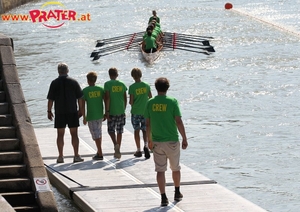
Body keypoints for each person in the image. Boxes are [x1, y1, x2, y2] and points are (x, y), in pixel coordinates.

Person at [144, 77, 188, 207]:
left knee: (160, 170)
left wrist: (148, 140)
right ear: (167, 87)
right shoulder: (172, 101)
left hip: (157, 141)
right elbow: (178, 121)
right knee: (175, 168)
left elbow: (147, 124)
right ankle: (177, 192)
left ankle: (163, 197)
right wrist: (184, 138)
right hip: (172, 140)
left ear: (156, 88)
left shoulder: (150, 102)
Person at [47, 63, 84, 163]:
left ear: (58, 71)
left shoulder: (54, 83)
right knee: (74, 134)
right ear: (67, 71)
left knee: (60, 135)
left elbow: (51, 100)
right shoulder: (74, 82)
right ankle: (76, 156)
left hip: (59, 112)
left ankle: (60, 156)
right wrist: (81, 110)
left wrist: (49, 111)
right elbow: (80, 98)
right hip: (72, 111)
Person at [81, 71, 106, 160]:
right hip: (100, 114)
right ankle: (99, 151)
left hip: (91, 116)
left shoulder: (85, 91)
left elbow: (82, 106)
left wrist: (84, 117)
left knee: (95, 135)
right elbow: (106, 100)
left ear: (88, 80)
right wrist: (106, 112)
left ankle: (100, 153)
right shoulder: (100, 89)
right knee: (98, 133)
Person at [104, 67, 127, 159]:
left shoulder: (107, 84)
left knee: (111, 130)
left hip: (112, 110)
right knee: (120, 130)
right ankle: (118, 149)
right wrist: (124, 109)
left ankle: (115, 144)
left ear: (109, 75)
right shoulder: (122, 84)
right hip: (121, 110)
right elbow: (125, 98)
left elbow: (107, 98)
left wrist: (107, 111)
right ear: (117, 75)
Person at [128, 68, 152, 159]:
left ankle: (138, 150)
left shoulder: (132, 87)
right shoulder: (146, 85)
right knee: (145, 130)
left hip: (135, 112)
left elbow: (131, 101)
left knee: (136, 130)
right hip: (145, 112)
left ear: (132, 76)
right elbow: (150, 97)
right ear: (141, 75)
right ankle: (146, 145)